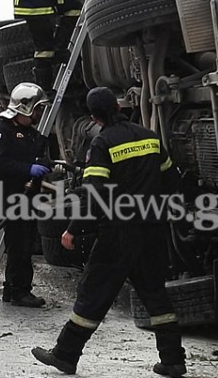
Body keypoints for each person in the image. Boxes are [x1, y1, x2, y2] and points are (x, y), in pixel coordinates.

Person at [32, 87, 186, 377]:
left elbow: (94, 194)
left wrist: (73, 229)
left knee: (93, 293)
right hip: (152, 230)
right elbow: (172, 181)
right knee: (155, 295)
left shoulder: (102, 145)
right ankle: (173, 360)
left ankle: (65, 355)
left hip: (117, 233)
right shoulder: (150, 138)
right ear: (117, 106)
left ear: (94, 116)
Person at [0, 82, 51, 307]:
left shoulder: (30, 134)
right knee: (18, 247)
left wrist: (42, 164)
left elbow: (37, 156)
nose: (39, 114)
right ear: (25, 108)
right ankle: (17, 291)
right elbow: (1, 163)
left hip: (29, 197)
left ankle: (18, 288)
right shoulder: (1, 132)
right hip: (12, 197)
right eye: (36, 109)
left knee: (26, 244)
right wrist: (28, 169)